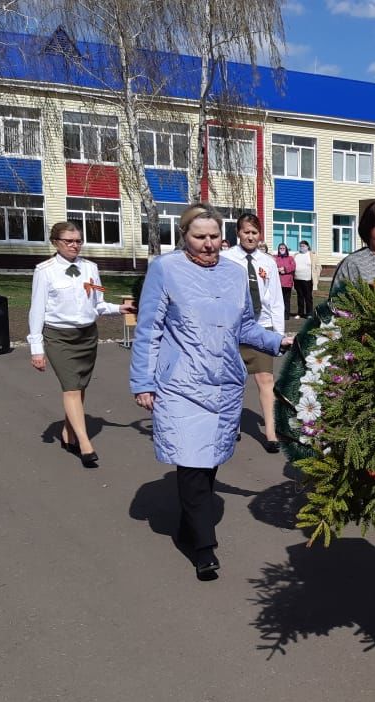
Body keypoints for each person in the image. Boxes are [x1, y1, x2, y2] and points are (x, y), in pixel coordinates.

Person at [129, 204, 293, 580]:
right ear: (184, 236)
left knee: (209, 461)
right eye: (199, 237)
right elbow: (149, 330)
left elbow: (246, 327)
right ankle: (204, 546)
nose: (208, 245)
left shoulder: (235, 274)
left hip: (222, 383)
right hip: (180, 384)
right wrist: (143, 382)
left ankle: (191, 522)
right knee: (191, 462)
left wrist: (277, 341)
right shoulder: (165, 270)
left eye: (214, 237)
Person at [27, 222, 134, 467]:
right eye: (69, 241)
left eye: (78, 241)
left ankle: (68, 433)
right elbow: (36, 311)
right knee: (72, 388)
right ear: (55, 242)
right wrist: (36, 348)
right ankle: (84, 443)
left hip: (87, 336)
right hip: (59, 337)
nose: (75, 245)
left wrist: (119, 308)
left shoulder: (91, 268)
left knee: (80, 387)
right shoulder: (45, 271)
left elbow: (97, 303)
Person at [221, 214, 285, 453]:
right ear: (238, 233)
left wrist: (278, 335)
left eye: (254, 232)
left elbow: (276, 298)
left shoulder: (267, 262)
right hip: (234, 328)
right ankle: (232, 425)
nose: (250, 236)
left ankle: (270, 430)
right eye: (246, 232)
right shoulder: (226, 259)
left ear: (260, 235)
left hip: (262, 326)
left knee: (265, 379)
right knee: (233, 379)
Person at [292, 239, 319, 318]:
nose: (302, 247)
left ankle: (309, 313)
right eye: (300, 246)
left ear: (307, 247)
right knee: (300, 297)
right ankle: (300, 313)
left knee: (308, 297)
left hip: (307, 279)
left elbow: (318, 266)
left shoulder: (312, 255)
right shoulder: (296, 255)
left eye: (303, 246)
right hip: (297, 279)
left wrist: (316, 276)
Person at [274, 243, 296, 318]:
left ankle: (286, 314)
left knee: (286, 299)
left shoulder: (290, 258)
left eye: (283, 248)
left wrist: (285, 269)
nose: (282, 249)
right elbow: (272, 266)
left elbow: (293, 267)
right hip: (278, 282)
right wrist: (278, 269)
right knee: (278, 300)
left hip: (287, 282)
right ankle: (279, 314)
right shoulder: (275, 257)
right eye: (280, 248)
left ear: (286, 249)